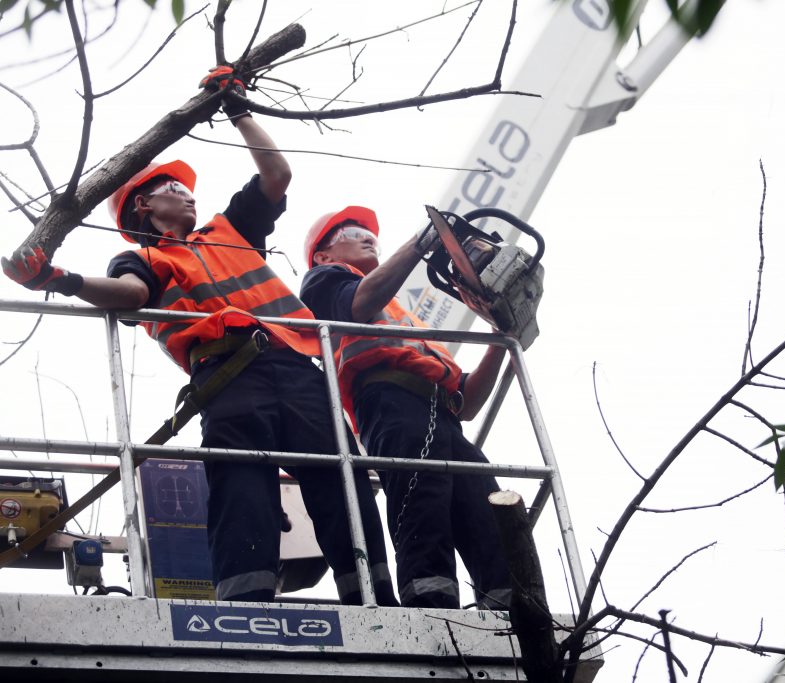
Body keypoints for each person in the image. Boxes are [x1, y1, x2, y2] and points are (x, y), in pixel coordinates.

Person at [1, 68, 398, 607]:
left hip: (296, 366)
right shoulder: (146, 258)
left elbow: (276, 173)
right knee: (241, 487)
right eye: (173, 188)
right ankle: (247, 604)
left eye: (188, 189)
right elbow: (126, 293)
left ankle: (373, 598)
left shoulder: (230, 231)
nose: (187, 195)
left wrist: (237, 107)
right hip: (227, 376)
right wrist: (59, 279)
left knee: (339, 478)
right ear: (143, 206)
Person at [299, 206, 512, 610]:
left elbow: (466, 401)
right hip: (390, 404)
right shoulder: (324, 282)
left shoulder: (403, 316)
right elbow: (358, 305)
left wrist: (502, 335)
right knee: (422, 504)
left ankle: (510, 608)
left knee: (485, 510)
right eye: (351, 231)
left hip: (443, 416)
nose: (367, 236)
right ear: (323, 255)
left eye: (370, 231)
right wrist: (420, 244)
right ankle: (432, 607)